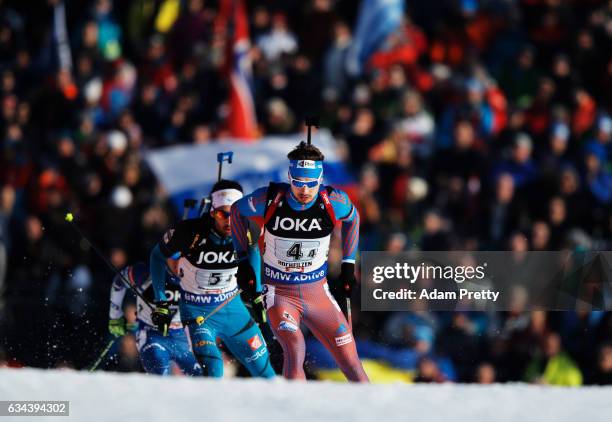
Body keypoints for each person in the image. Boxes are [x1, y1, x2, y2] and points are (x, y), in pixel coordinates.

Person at [231, 141, 369, 382]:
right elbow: (236, 211)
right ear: (289, 177)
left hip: (317, 292)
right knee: (294, 347)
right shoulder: (270, 199)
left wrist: (348, 264)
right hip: (279, 292)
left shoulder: (333, 201)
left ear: (321, 179)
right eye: (298, 183)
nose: (304, 190)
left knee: (351, 361)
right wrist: (242, 258)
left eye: (311, 184)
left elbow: (353, 219)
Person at [149, 180, 275, 378]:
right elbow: (157, 256)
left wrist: (257, 293)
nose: (229, 221)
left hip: (233, 308)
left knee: (265, 372)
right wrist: (161, 302)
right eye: (221, 214)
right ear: (212, 211)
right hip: (198, 312)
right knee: (214, 371)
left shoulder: (249, 228)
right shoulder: (189, 232)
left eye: (234, 214)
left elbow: (254, 252)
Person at [108, 262, 201, 376]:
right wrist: (115, 316)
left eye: (182, 259)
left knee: (203, 376)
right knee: (159, 370)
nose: (177, 265)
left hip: (182, 337)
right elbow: (119, 282)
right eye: (174, 260)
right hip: (152, 334)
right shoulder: (147, 272)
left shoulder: (195, 274)